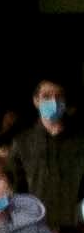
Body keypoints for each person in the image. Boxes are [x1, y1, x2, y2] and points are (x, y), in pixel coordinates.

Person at [11, 80, 84, 225]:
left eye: (59, 96)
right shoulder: (22, 142)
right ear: (36, 101)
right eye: (46, 96)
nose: (54, 101)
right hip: (35, 226)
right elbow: (14, 186)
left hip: (76, 227)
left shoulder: (80, 142)